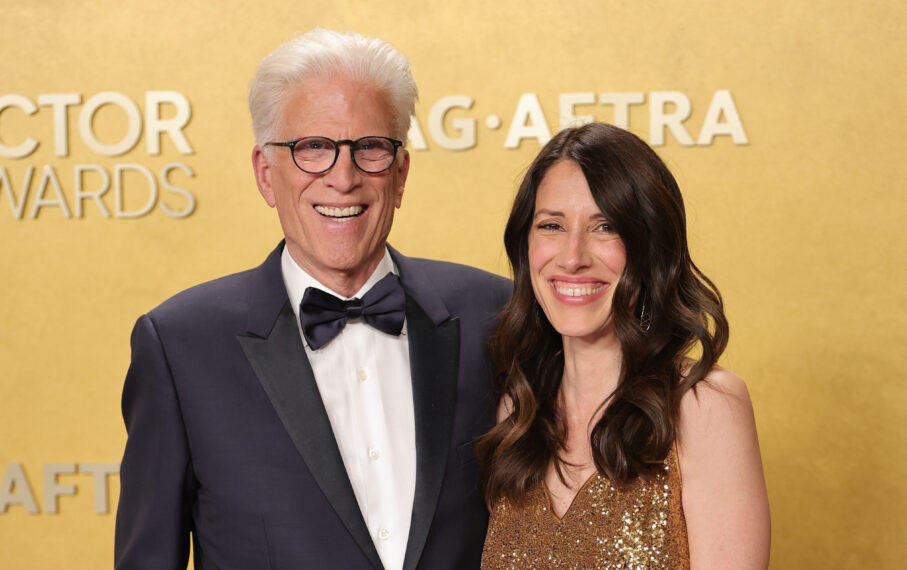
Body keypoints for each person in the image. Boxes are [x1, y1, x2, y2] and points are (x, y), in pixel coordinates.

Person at [114, 29, 510, 570]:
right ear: (265, 174)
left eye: (370, 147)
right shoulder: (180, 346)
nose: (342, 178)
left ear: (400, 174)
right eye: (313, 149)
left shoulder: (496, 315)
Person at [477, 123, 770, 568]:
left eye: (605, 226)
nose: (573, 256)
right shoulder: (515, 416)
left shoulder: (703, 407)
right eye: (552, 225)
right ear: (526, 246)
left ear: (650, 247)